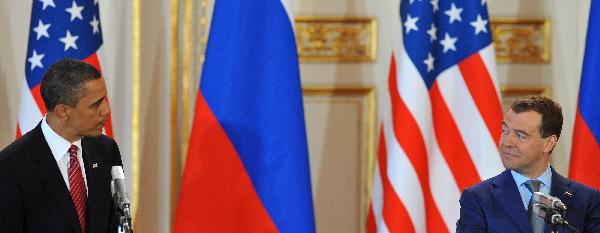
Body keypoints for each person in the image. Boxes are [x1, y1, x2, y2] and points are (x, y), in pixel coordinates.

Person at [0, 59, 122, 233]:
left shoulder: (107, 150)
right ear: (63, 111)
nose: (106, 110)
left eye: (105, 99)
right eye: (96, 104)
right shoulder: (11, 167)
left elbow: (119, 222)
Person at [456, 95, 600, 233]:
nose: (507, 143)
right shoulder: (477, 199)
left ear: (548, 144)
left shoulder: (586, 200)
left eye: (520, 135)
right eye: (505, 131)